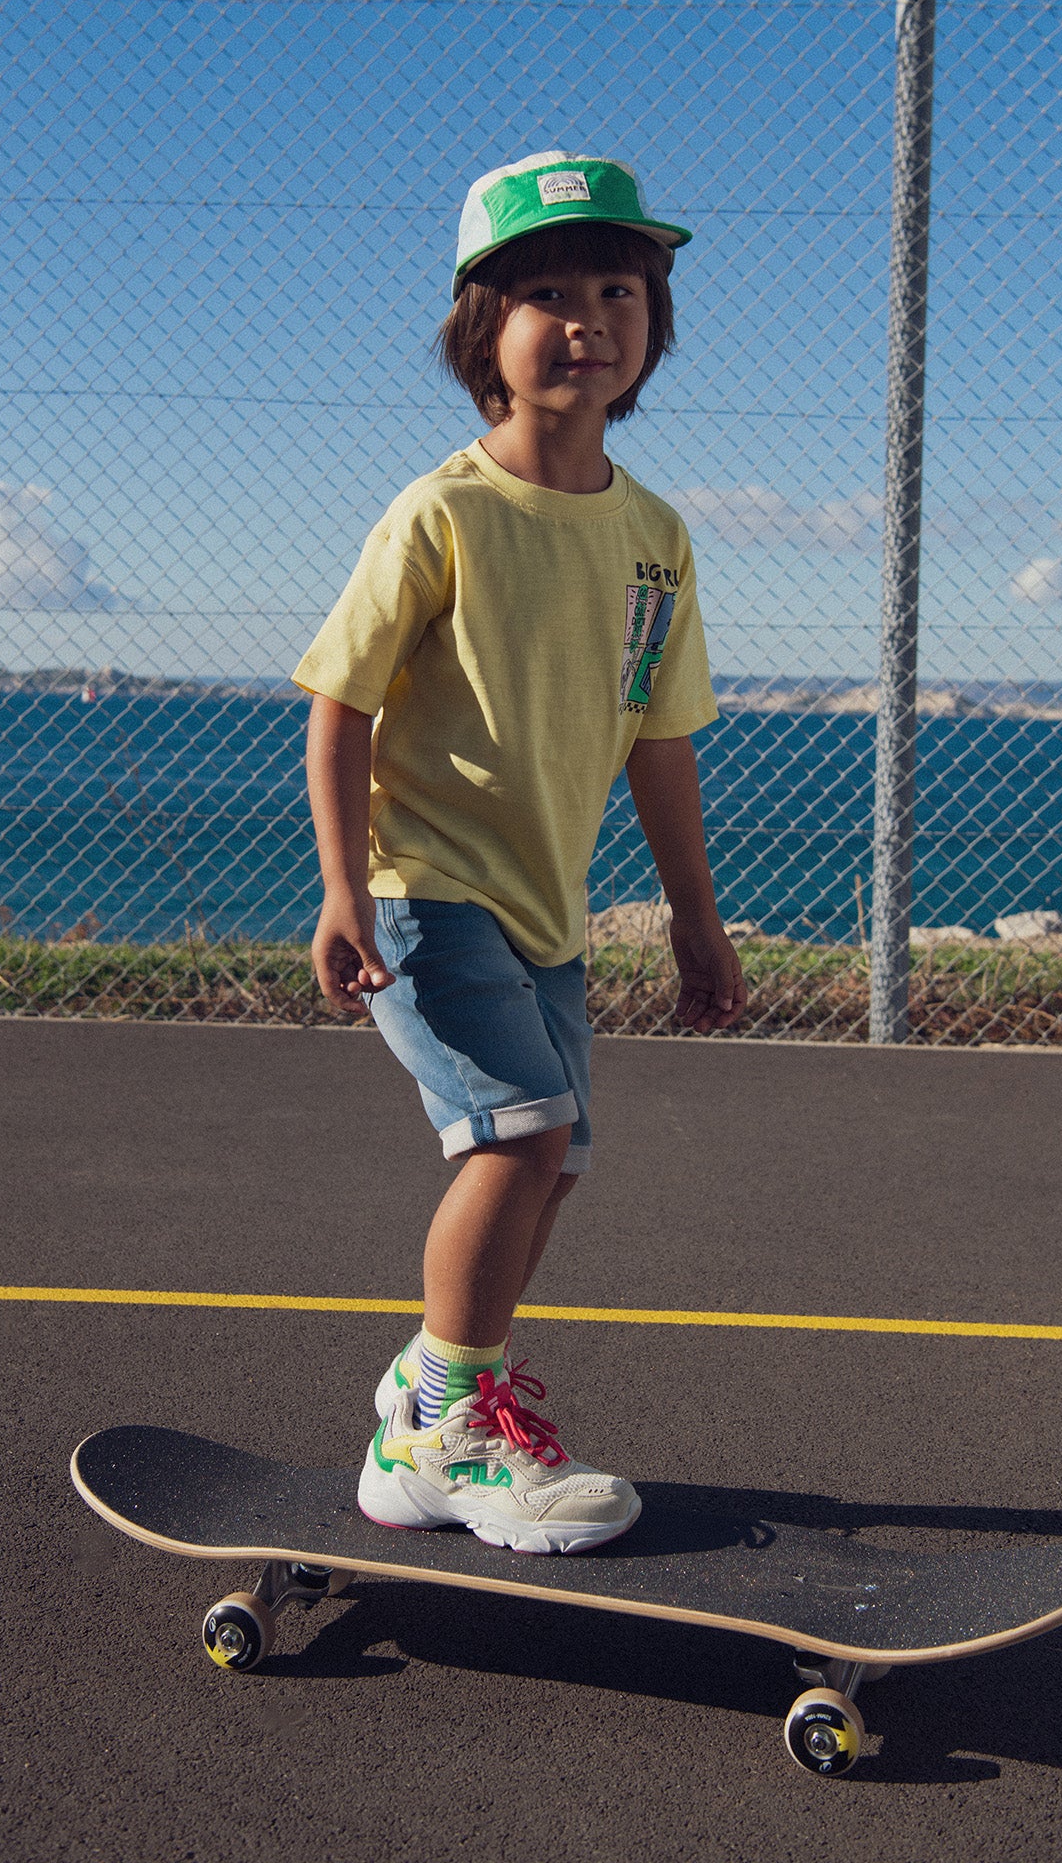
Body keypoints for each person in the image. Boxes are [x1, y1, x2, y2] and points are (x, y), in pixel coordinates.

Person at [294, 150, 746, 1555]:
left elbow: (655, 741)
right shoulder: (442, 513)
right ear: (479, 331)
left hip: (547, 910)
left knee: (549, 1161)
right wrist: (342, 886)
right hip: (430, 894)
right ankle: (445, 1430)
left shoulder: (655, 536)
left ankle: (431, 1409)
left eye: (618, 288)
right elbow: (341, 698)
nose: (587, 317)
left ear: (653, 324)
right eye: (544, 293)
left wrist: (696, 920)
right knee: (522, 1133)